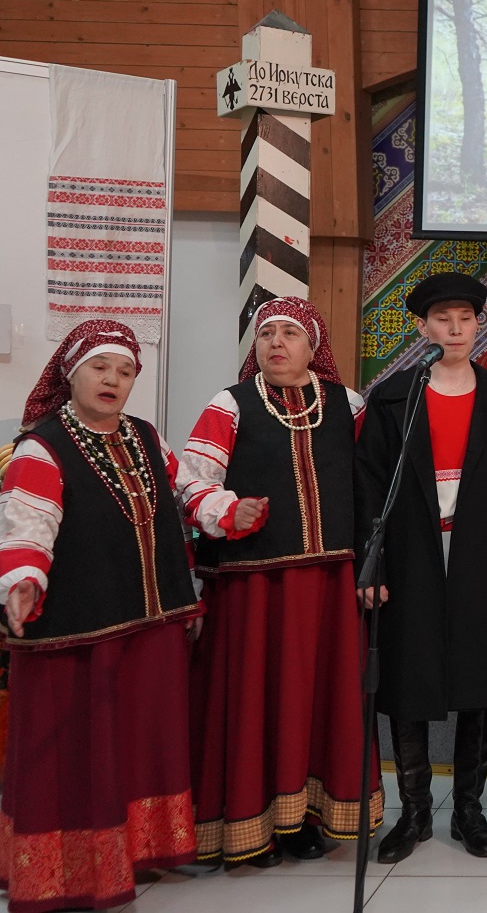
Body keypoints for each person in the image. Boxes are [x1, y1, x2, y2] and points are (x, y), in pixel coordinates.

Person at [0, 322, 201, 911]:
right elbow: (28, 528)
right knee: (76, 750)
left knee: (138, 743)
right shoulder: (42, 448)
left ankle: (137, 853)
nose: (112, 379)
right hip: (77, 631)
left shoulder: (145, 436)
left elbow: (186, 490)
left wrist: (228, 510)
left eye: (125, 370)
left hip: (147, 622)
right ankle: (68, 872)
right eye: (99, 367)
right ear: (70, 374)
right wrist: (23, 580)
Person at [178, 297, 382, 866]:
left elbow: (370, 493)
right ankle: (248, 824)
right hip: (255, 587)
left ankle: (304, 820)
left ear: (313, 346)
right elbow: (192, 481)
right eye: (267, 333)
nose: (276, 343)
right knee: (257, 701)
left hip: (330, 584)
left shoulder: (348, 405)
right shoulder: (230, 404)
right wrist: (229, 510)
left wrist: (373, 566)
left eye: (290, 333)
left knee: (319, 701)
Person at [355, 272, 487, 863]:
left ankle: (468, 810)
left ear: (478, 324)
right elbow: (369, 488)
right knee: (406, 679)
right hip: (410, 555)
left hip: (479, 554)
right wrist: (373, 567)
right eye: (442, 319)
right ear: (422, 327)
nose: (455, 329)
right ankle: (413, 812)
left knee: (478, 680)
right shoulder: (393, 398)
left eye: (465, 318)